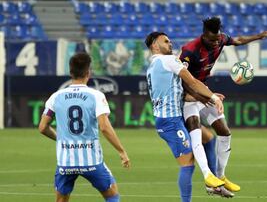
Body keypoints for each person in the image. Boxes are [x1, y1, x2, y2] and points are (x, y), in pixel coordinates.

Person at [179, 16, 267, 196]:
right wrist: (200, 96)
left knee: (224, 131)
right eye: (212, 40)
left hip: (204, 91)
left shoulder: (221, 39)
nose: (216, 43)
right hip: (187, 95)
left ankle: (221, 177)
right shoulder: (189, 50)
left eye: (218, 39)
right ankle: (208, 177)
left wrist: (259, 36)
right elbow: (181, 79)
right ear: (204, 36)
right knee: (196, 132)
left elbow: (238, 40)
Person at [38, 52, 130, 202]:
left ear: (70, 72)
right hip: (91, 161)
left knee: (61, 200)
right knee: (112, 194)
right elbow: (104, 127)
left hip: (65, 162)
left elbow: (42, 127)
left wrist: (59, 138)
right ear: (89, 73)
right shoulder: (96, 96)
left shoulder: (56, 96)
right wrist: (122, 151)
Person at [145, 31, 225, 202]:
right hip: (171, 122)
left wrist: (206, 97)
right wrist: (213, 97)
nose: (170, 43)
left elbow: (182, 95)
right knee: (187, 164)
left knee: (209, 139)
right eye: (165, 41)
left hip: (172, 117)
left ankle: (213, 182)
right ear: (154, 45)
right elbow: (193, 82)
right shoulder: (169, 60)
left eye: (170, 40)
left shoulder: (153, 66)